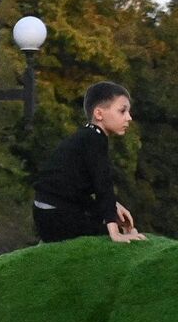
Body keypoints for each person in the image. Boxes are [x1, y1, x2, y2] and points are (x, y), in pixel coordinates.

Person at [31, 81, 146, 244]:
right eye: (122, 111)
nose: (129, 117)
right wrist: (115, 232)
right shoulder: (94, 140)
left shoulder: (86, 137)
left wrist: (114, 207)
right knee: (109, 234)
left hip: (48, 214)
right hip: (55, 217)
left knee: (106, 219)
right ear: (99, 114)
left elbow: (79, 186)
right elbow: (102, 184)